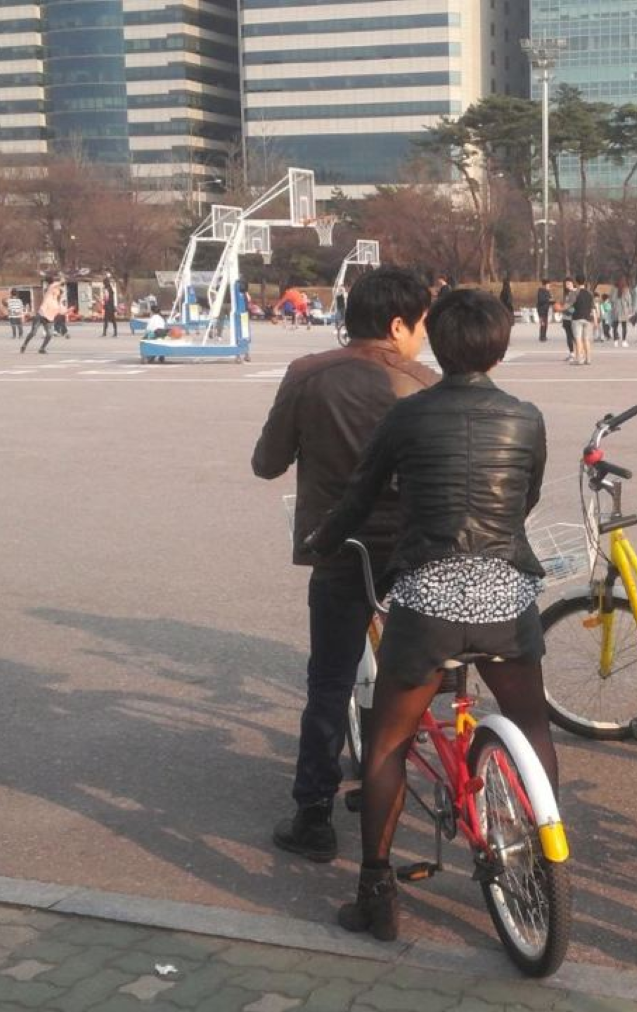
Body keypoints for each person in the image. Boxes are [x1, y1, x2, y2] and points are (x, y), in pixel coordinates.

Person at [305, 289, 554, 942]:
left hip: (429, 602)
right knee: (531, 723)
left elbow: (359, 495)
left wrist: (322, 542)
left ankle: (376, 892)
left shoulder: (409, 416)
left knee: (388, 741)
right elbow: (524, 498)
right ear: (500, 345)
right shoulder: (526, 418)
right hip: (505, 597)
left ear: (437, 344)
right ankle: (538, 847)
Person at [252, 267, 439, 863]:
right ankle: (385, 784)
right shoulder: (426, 384)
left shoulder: (309, 374)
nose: (423, 339)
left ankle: (313, 814)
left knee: (328, 683)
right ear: (397, 324)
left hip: (339, 549)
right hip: (413, 553)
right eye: (421, 326)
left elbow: (267, 462)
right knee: (408, 680)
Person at [24, 281, 63, 354]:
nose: (57, 291)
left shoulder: (57, 303)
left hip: (48, 319)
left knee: (49, 334)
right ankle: (24, 345)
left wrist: (68, 310)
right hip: (41, 315)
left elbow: (61, 311)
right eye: (57, 290)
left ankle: (42, 348)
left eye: (58, 291)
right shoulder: (48, 295)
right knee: (33, 332)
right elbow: (52, 285)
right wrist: (61, 281)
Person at [570, 276, 595, 366]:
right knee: (586, 339)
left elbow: (569, 305)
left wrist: (561, 309)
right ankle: (588, 359)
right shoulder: (590, 293)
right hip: (588, 318)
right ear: (584, 282)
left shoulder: (574, 293)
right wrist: (594, 319)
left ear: (576, 282)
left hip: (577, 318)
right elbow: (593, 308)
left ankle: (579, 359)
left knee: (578, 339)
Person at [535, 279, 553, 343]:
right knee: (543, 323)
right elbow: (541, 300)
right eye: (548, 285)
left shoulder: (547, 291)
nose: (549, 286)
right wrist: (548, 300)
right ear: (545, 285)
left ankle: (544, 335)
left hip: (546, 310)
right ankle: (542, 337)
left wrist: (553, 302)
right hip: (541, 310)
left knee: (546, 323)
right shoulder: (540, 291)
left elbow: (550, 299)